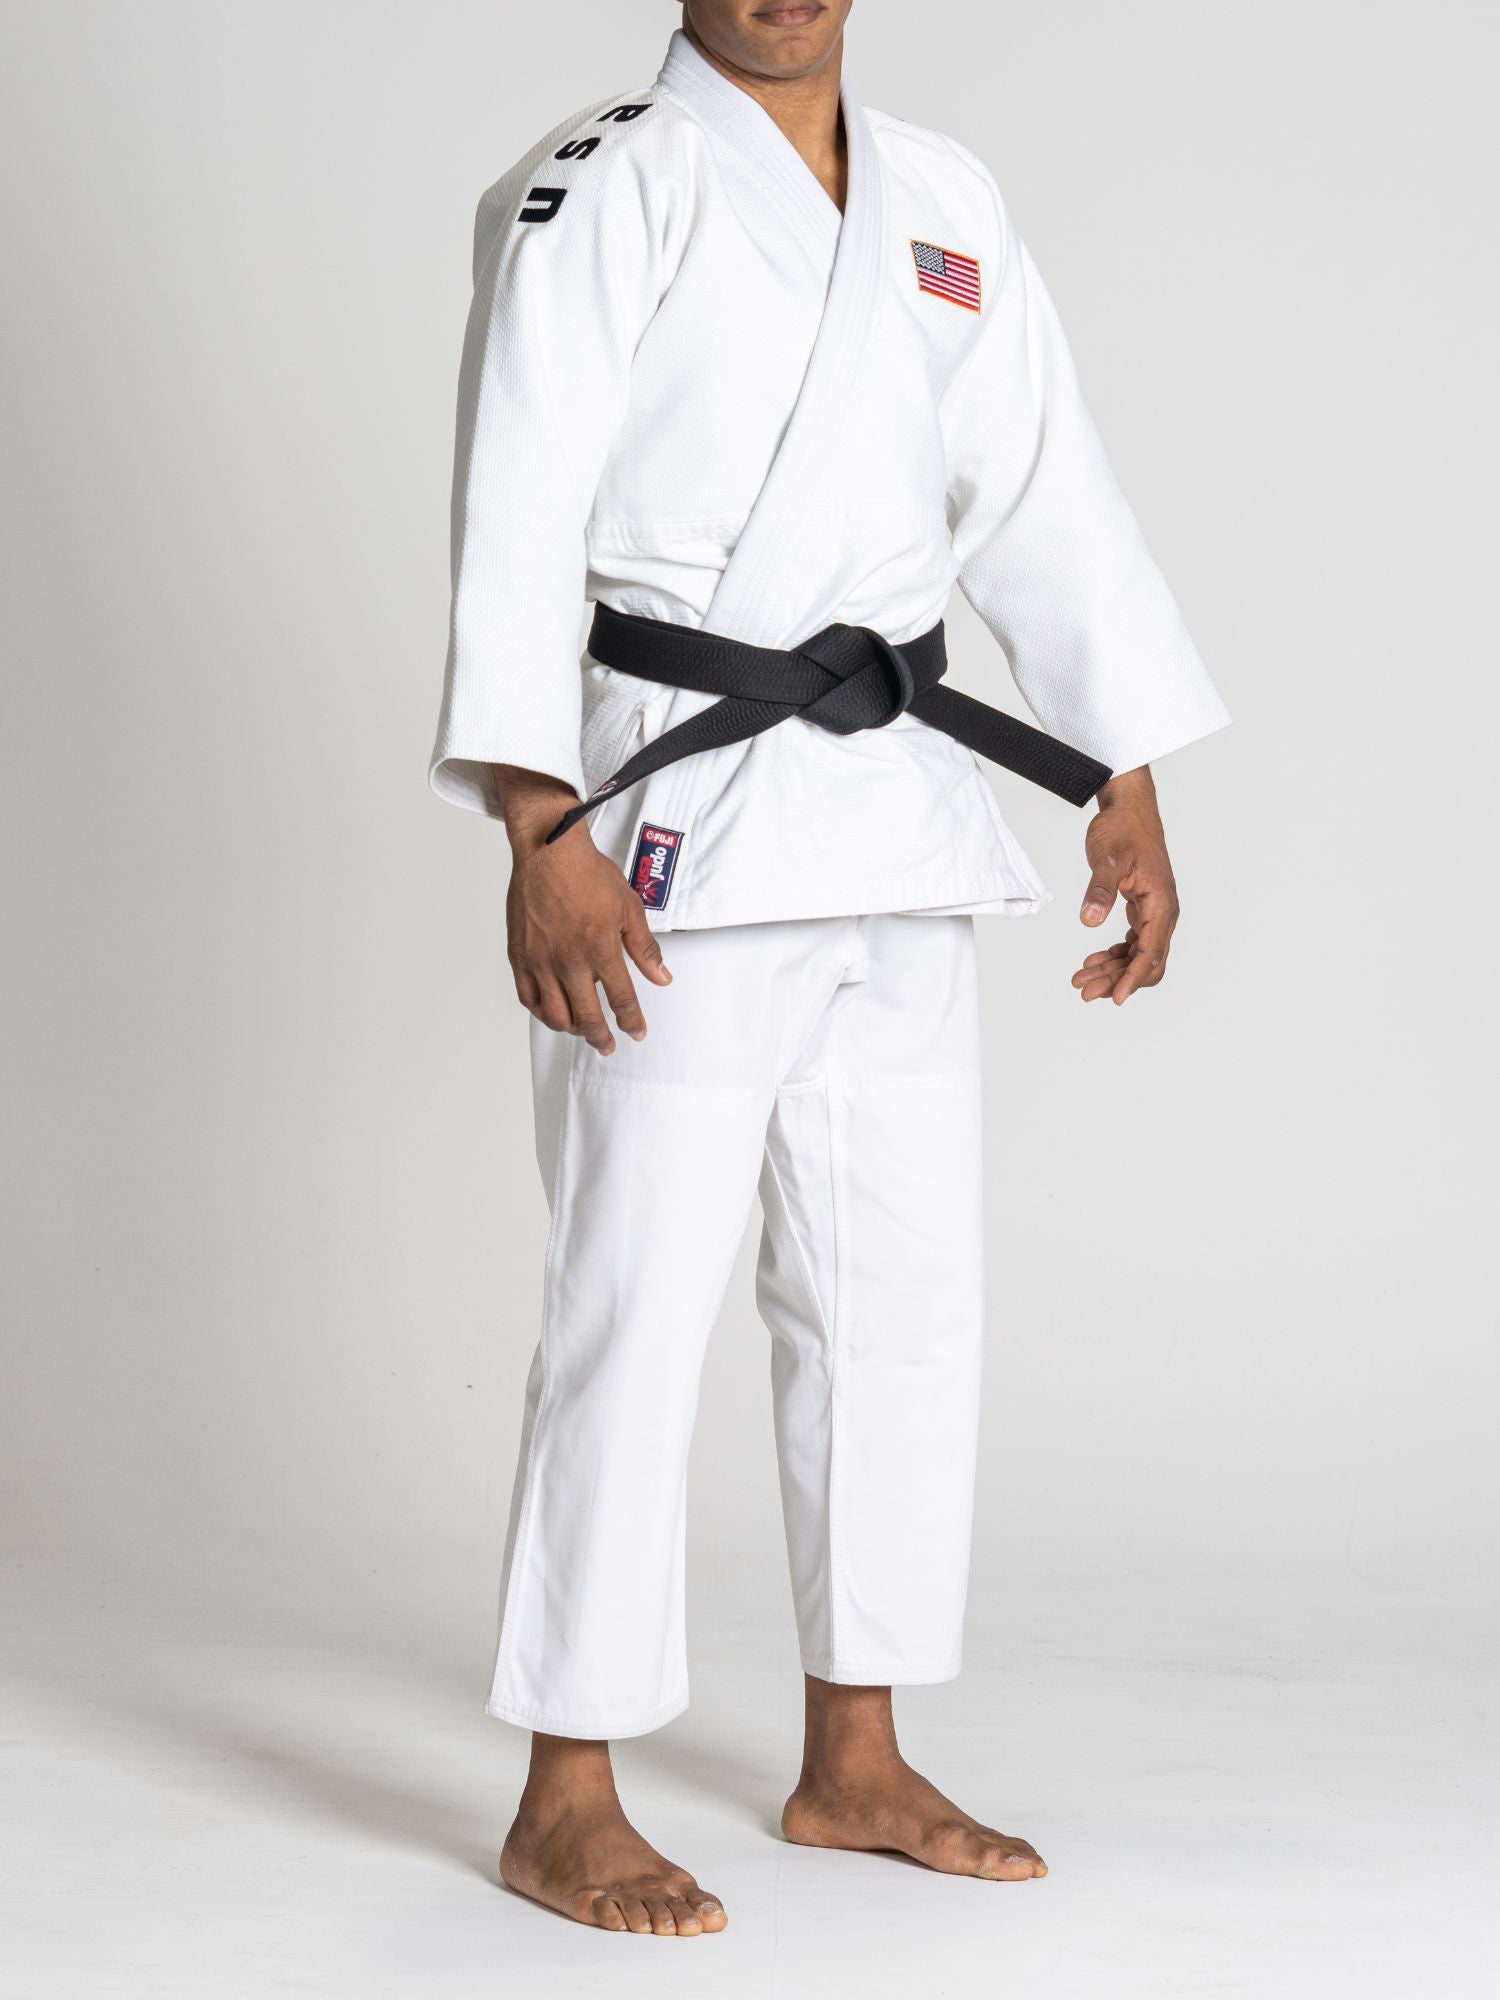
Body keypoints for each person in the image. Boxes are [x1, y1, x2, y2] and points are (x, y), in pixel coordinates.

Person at [429, 0, 1229, 1940]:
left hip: (901, 813)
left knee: (900, 1295)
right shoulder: (596, 187)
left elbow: (1043, 492)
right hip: (669, 817)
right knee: (636, 1293)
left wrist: (1118, 776)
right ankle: (566, 1784)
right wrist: (539, 828)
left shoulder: (945, 199)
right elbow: (517, 510)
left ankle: (852, 1750)